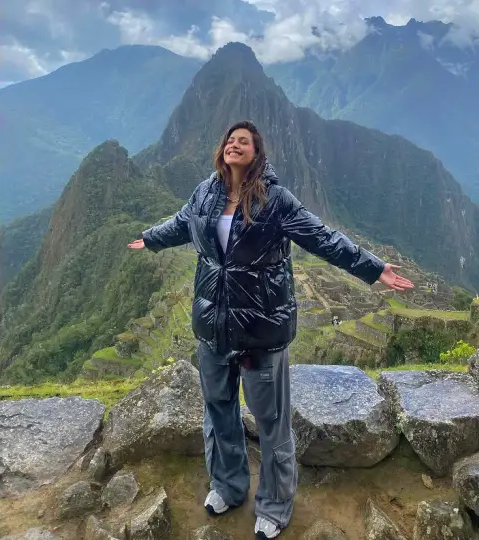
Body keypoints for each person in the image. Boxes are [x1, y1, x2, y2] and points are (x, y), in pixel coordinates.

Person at [127, 120, 413, 539]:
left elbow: (323, 238)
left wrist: (373, 268)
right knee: (219, 411)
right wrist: (150, 239)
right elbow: (180, 223)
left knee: (271, 421)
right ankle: (227, 486)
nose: (234, 145)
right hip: (212, 327)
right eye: (230, 139)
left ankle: (275, 506)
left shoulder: (275, 201)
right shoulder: (205, 193)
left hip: (261, 330)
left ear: (257, 153)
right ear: (222, 150)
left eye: (244, 141)